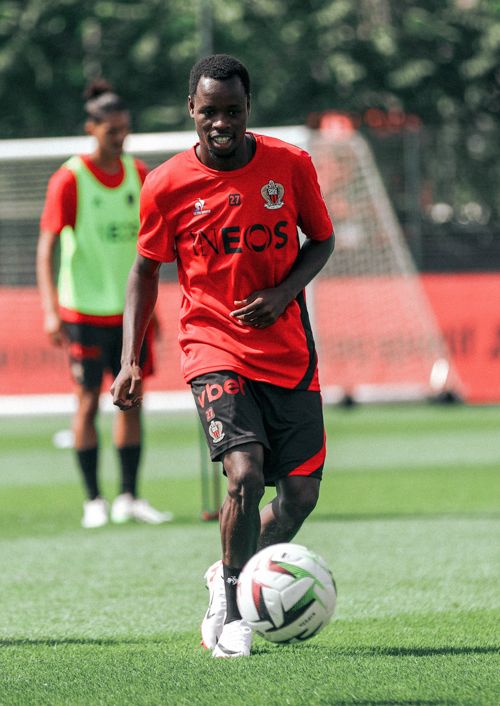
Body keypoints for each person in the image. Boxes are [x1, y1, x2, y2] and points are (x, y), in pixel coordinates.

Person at [111, 54, 336, 657]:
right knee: (245, 475)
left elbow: (322, 239)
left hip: (288, 350)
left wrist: (283, 293)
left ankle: (224, 571)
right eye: (209, 111)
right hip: (212, 345)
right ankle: (235, 613)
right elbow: (144, 270)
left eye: (233, 111)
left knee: (300, 497)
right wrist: (130, 360)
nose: (221, 123)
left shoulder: (290, 165)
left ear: (248, 108)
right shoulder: (166, 184)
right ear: (192, 108)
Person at [37, 78, 171, 529]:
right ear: (91, 128)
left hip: (130, 314)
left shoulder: (140, 174)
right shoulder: (70, 179)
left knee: (132, 401)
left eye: (125, 128)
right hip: (83, 312)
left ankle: (129, 496)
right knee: (87, 401)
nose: (120, 137)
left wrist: (154, 310)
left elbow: (149, 252)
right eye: (112, 130)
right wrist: (50, 309)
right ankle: (93, 499)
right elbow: (46, 248)